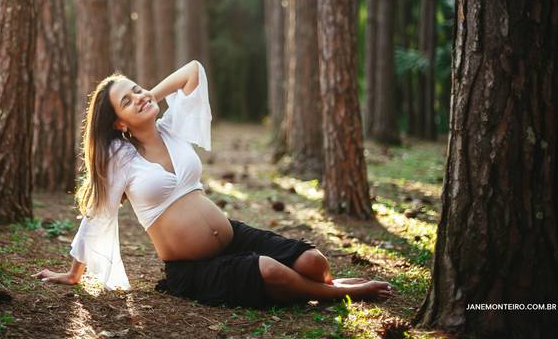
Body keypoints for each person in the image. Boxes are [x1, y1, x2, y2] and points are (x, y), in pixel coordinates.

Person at [33, 60, 394, 307]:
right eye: (127, 101)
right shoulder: (120, 158)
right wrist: (73, 273)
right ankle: (339, 294)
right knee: (270, 270)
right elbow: (95, 214)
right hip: (191, 270)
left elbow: (193, 71)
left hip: (231, 236)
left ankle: (324, 285)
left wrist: (148, 98)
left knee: (314, 261)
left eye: (137, 89)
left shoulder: (171, 129)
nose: (140, 96)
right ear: (119, 124)